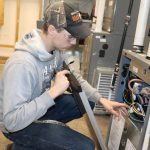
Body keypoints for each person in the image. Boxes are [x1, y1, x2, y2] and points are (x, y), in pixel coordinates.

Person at [0, 1, 128, 150]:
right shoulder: (22, 64)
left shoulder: (55, 52)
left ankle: (39, 138)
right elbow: (11, 121)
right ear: (52, 29)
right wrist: (53, 92)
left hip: (36, 110)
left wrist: (102, 99)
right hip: (16, 126)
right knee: (85, 146)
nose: (74, 42)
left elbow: (75, 78)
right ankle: (24, 142)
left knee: (86, 101)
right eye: (70, 37)